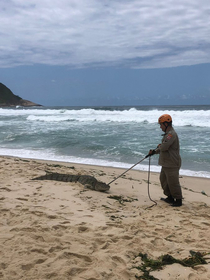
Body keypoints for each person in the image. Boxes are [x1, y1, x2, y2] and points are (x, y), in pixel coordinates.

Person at [149, 114, 182, 207]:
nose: (160, 127)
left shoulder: (171, 134)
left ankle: (178, 200)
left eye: (161, 125)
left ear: (166, 124)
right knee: (164, 180)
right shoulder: (167, 134)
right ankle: (170, 197)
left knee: (173, 182)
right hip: (166, 163)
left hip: (172, 163)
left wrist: (158, 147)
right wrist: (154, 152)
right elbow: (162, 147)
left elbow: (164, 147)